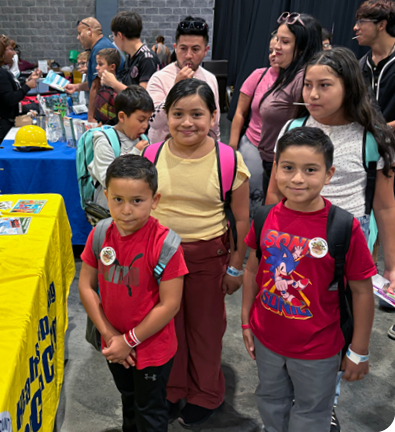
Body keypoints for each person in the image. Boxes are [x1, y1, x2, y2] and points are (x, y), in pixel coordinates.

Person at [265, 48, 395, 428]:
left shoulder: (371, 137)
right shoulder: (292, 129)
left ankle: (325, 400)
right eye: (308, 85)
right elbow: (275, 193)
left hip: (341, 253)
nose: (313, 94)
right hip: (290, 251)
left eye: (325, 85)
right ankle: (288, 397)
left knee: (336, 327)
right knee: (291, 317)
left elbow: (385, 207)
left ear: (349, 87)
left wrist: (392, 266)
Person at [242, 127, 375, 432]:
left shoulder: (343, 226)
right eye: (288, 168)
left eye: (310, 170)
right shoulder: (264, 217)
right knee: (270, 399)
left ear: (329, 174)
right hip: (268, 339)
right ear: (276, 169)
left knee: (313, 410)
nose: (298, 178)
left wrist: (359, 349)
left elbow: (362, 291)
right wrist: (246, 321)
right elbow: (253, 270)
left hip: (319, 347)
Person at [148, 79, 249, 427]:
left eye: (197, 114)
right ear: (166, 115)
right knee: (167, 327)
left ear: (213, 116)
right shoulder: (151, 155)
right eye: (178, 114)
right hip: (160, 259)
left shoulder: (228, 160)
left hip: (208, 256)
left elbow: (240, 217)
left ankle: (206, 393)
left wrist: (236, 267)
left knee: (205, 329)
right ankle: (174, 389)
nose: (186, 122)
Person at [79, 154, 187, 432]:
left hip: (151, 349)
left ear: (155, 200)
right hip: (115, 345)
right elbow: (86, 286)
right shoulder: (101, 233)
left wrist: (129, 340)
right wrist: (111, 336)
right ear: (106, 195)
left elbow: (170, 305)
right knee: (128, 401)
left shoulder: (166, 245)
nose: (126, 210)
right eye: (117, 200)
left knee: (150, 411)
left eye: (137, 201)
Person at [259, 12, 323, 197]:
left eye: (285, 42)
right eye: (277, 39)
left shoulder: (303, 79)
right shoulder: (289, 73)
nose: (276, 46)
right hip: (274, 161)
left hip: (288, 168)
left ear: (302, 48)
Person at [147, 17, 221, 143]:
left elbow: (214, 124)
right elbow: (153, 122)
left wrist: (217, 151)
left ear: (205, 51)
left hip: (199, 151)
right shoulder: (159, 78)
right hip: (163, 152)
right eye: (183, 49)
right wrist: (176, 88)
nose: (188, 55)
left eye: (195, 49)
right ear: (175, 48)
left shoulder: (210, 79)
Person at [229, 33, 279, 216]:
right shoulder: (258, 75)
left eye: (278, 50)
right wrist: (233, 149)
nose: (274, 54)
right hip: (253, 146)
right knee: (252, 198)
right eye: (270, 51)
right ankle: (250, 237)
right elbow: (239, 113)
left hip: (281, 151)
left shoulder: (298, 80)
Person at [88, 85, 152, 209]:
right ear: (122, 117)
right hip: (109, 210)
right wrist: (135, 152)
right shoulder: (105, 141)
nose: (145, 126)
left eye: (148, 120)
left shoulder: (142, 139)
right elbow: (108, 180)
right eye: (141, 120)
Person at [0, 35, 41, 144]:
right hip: (0, 125)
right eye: (11, 49)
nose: (14, 53)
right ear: (1, 51)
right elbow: (11, 98)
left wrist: (28, 80)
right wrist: (27, 86)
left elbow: (9, 87)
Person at [65, 18, 123, 122]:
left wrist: (91, 117)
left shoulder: (100, 48)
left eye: (79, 33)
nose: (78, 38)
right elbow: (94, 82)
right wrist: (77, 86)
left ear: (89, 31)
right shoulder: (100, 45)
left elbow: (96, 86)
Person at [354, 0, 395, 129]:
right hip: (369, 144)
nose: (355, 27)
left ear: (382, 25)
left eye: (361, 22)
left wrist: (385, 129)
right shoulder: (360, 65)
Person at [101, 11, 160, 92]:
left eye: (113, 36)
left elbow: (143, 97)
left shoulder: (147, 58)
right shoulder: (130, 57)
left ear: (120, 36)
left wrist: (113, 83)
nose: (113, 40)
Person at [94, 48, 122, 125]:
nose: (97, 67)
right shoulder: (103, 87)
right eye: (97, 64)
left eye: (100, 64)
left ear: (112, 67)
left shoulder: (117, 91)